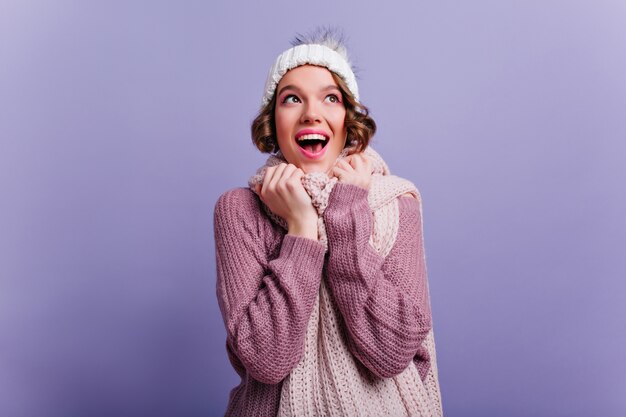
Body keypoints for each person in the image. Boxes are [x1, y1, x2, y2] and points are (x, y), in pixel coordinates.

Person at [214, 29, 442, 417]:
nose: (311, 113)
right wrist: (301, 228)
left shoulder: (396, 203)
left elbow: (391, 353)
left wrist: (346, 215)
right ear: (273, 122)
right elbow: (267, 359)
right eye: (291, 99)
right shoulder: (239, 210)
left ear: (348, 122)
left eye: (330, 98)